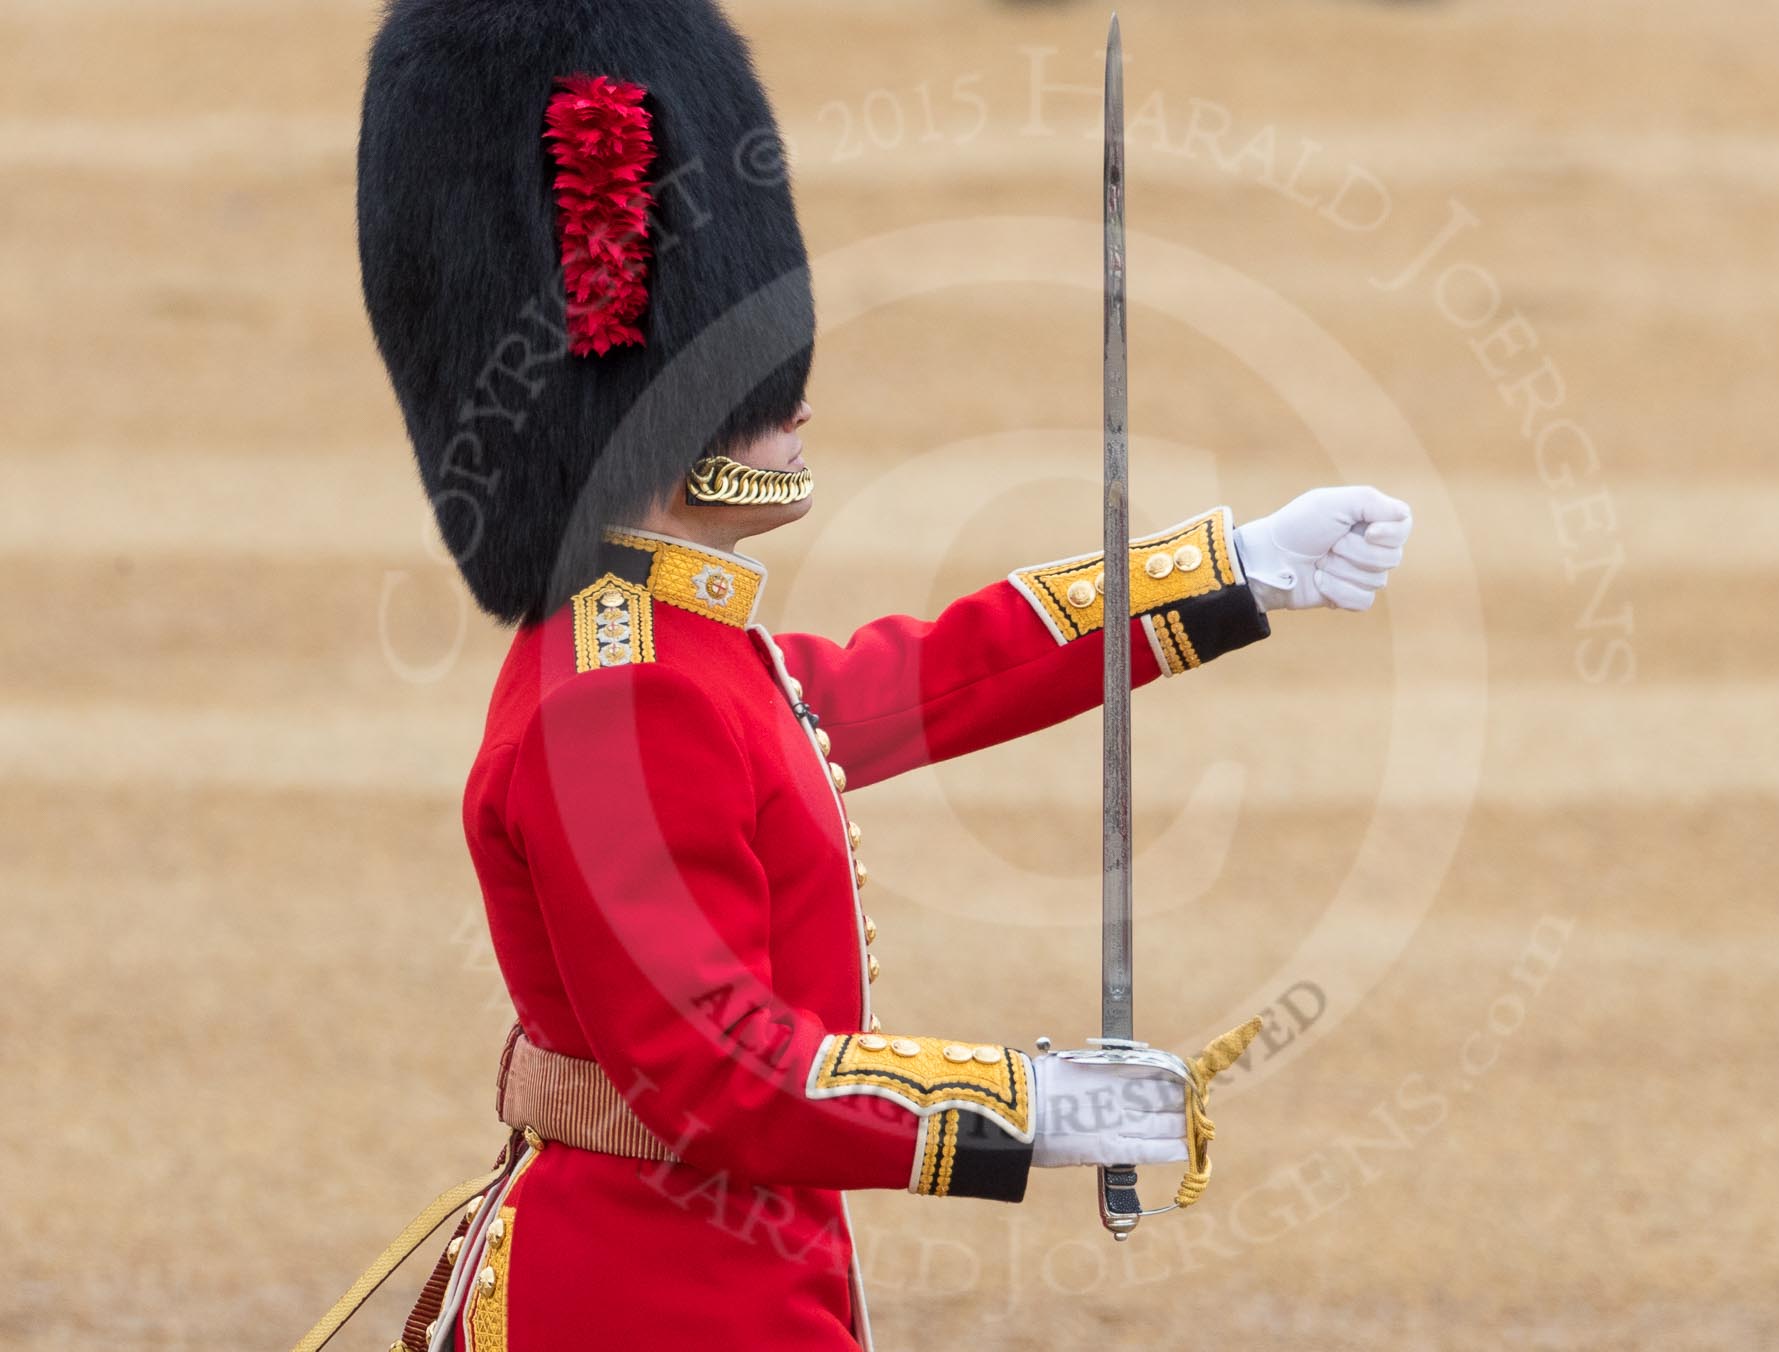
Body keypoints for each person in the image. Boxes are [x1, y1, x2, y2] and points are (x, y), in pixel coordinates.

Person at [319, 1, 1414, 1348]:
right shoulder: (625, 695)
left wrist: (1232, 571)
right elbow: (721, 1074)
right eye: (758, 398)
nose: (796, 419)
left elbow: (936, 678)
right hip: (656, 1293)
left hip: (711, 1260)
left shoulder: (669, 650)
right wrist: (1036, 1108)